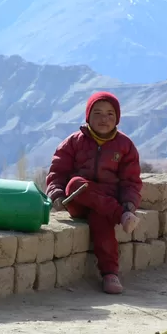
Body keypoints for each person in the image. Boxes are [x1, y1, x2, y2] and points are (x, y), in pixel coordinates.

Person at [45, 90, 143, 295]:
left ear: (117, 118)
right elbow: (57, 171)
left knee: (101, 223)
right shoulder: (73, 142)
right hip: (79, 199)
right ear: (88, 115)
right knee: (75, 184)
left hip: (105, 205)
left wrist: (129, 205)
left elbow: (130, 181)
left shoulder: (125, 146)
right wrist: (56, 194)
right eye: (97, 113)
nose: (104, 119)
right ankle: (121, 216)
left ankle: (110, 274)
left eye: (110, 114)